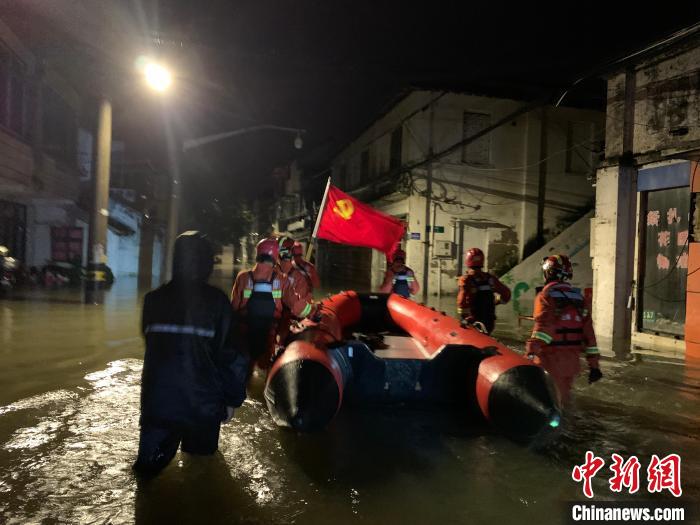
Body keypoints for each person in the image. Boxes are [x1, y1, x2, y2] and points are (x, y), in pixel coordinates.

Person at [133, 231, 249, 477]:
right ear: (206, 262)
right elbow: (232, 357)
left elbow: (152, 345)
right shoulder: (217, 302)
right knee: (201, 472)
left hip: (158, 405)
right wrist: (231, 400)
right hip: (202, 407)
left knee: (147, 474)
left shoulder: (153, 300)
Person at [231, 237, 320, 370]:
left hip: (245, 335)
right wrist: (313, 311)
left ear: (258, 254)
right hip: (269, 336)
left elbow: (232, 309)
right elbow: (297, 307)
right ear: (275, 256)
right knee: (265, 369)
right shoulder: (281, 279)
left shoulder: (242, 277)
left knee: (245, 371)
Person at [525, 254, 602, 404]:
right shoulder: (580, 299)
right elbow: (589, 336)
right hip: (572, 363)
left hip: (550, 360)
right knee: (564, 400)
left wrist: (528, 355)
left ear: (548, 272)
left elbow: (543, 331)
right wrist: (594, 366)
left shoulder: (545, 296)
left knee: (549, 401)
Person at [457, 247, 511, 334]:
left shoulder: (466, 280)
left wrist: (464, 318)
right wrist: (495, 302)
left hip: (473, 321)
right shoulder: (490, 279)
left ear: (467, 261)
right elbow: (506, 294)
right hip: (489, 322)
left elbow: (461, 302)